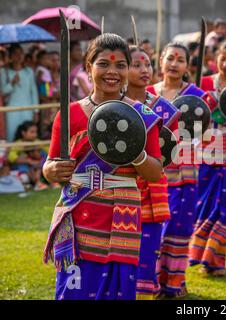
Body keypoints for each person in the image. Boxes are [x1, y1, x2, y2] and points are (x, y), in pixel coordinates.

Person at [43, 33, 163, 300]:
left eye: (121, 65)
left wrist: (135, 151)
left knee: (117, 290)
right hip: (81, 212)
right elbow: (50, 164)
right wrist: (50, 171)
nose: (112, 71)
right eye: (103, 64)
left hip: (123, 215)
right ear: (88, 68)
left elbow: (155, 173)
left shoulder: (143, 117)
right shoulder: (70, 114)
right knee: (75, 290)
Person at [149, 42, 212, 298]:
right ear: (161, 60)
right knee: (156, 229)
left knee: (179, 227)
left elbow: (207, 133)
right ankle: (152, 282)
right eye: (170, 58)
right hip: (154, 172)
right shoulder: (148, 94)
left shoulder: (197, 95)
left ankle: (174, 282)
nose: (174, 64)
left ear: (187, 66)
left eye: (180, 60)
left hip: (185, 172)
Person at [125, 45, 178, 299]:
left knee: (147, 252)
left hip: (154, 189)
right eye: (137, 65)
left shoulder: (165, 110)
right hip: (121, 190)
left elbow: (168, 154)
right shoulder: (112, 106)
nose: (144, 70)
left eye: (147, 64)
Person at [189, 39, 226, 277]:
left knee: (223, 204)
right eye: (223, 58)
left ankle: (215, 260)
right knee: (203, 201)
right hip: (204, 149)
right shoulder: (203, 84)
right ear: (216, 58)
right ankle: (196, 253)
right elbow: (191, 115)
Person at [0, 44, 39, 141]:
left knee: (28, 135)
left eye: (20, 53)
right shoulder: (4, 72)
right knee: (12, 134)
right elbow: (3, 92)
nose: (18, 56)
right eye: (15, 54)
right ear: (10, 56)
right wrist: (12, 84)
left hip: (28, 108)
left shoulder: (29, 71)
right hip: (11, 109)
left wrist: (36, 111)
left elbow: (33, 92)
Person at [7, 121, 48, 191]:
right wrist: (29, 161)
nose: (35, 135)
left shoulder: (37, 141)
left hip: (37, 165)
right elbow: (11, 157)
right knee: (23, 156)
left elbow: (48, 150)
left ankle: (39, 182)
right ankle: (34, 183)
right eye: (32, 132)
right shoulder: (18, 144)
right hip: (23, 168)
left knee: (43, 154)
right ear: (23, 133)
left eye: (36, 132)